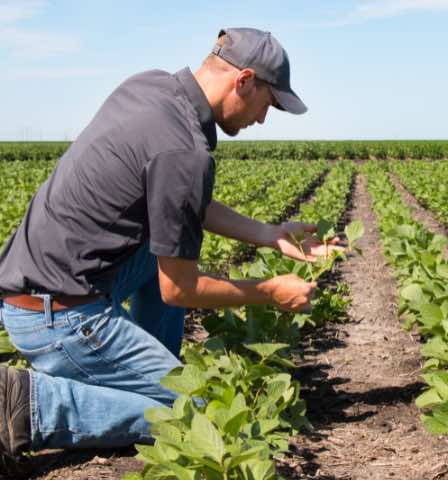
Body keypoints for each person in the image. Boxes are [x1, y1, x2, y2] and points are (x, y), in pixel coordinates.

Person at [0, 27, 339, 477]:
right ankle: (34, 404)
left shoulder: (153, 87)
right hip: (59, 317)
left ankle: (145, 371)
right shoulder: (183, 150)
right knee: (199, 417)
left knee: (162, 248)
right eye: (269, 103)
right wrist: (271, 291)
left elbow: (181, 201)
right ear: (245, 80)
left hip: (39, 285)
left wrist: (270, 233)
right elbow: (180, 288)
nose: (264, 118)